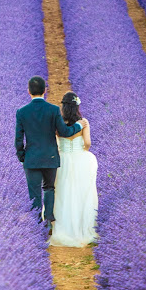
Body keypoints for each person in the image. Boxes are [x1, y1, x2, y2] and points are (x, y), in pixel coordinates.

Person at [15, 76, 87, 233]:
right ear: (45, 90)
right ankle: (48, 221)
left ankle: (36, 225)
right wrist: (78, 126)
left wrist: (22, 157)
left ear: (29, 92)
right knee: (49, 188)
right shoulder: (53, 110)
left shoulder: (21, 112)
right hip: (50, 157)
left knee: (34, 193)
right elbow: (65, 132)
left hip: (31, 158)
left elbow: (18, 139)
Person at [49, 91, 98, 247]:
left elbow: (56, 143)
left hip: (63, 160)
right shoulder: (84, 122)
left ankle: (63, 228)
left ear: (63, 107)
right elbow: (88, 143)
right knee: (81, 194)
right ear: (77, 106)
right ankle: (81, 228)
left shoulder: (58, 122)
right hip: (80, 159)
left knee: (62, 193)